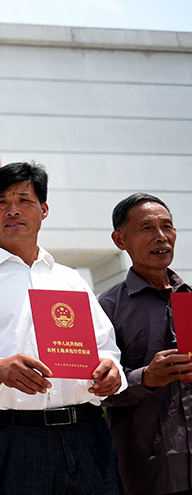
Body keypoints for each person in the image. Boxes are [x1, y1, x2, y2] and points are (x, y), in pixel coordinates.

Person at [0, 161, 125, 495]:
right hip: (17, 439)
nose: (12, 210)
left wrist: (112, 372)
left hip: (87, 432)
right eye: (2, 202)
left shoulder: (70, 279)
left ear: (44, 209)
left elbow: (106, 349)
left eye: (24, 200)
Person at [98, 193, 192, 495]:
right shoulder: (104, 308)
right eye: (148, 228)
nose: (161, 236)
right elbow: (96, 390)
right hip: (151, 470)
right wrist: (146, 377)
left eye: (167, 226)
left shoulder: (189, 298)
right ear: (120, 240)